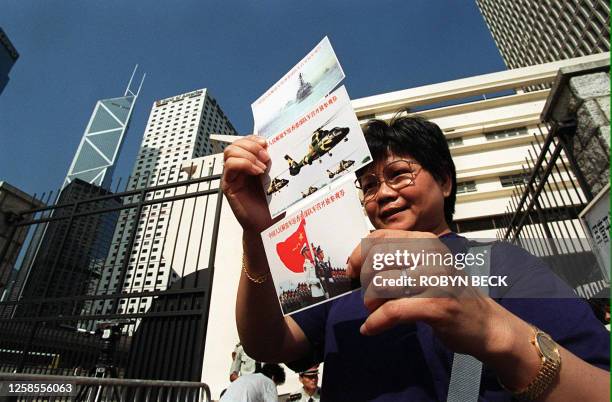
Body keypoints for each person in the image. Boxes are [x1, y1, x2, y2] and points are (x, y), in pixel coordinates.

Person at [221, 115, 610, 401]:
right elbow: (267, 343)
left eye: (399, 174)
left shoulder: (502, 262)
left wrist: (494, 330)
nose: (383, 193)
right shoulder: (348, 275)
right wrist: (256, 236)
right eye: (369, 185)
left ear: (444, 181)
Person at [220, 362, 285, 402]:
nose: (275, 387)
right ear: (273, 378)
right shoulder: (269, 382)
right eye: (277, 384)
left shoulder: (246, 378)